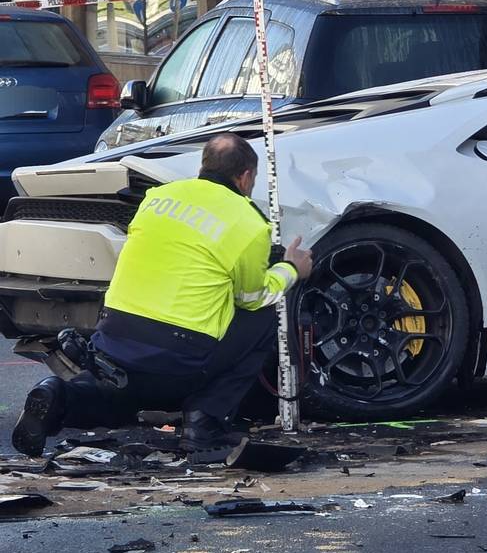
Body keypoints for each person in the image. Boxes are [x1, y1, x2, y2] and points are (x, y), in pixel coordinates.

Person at [11, 132, 313, 455]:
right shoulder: (249, 223)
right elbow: (252, 297)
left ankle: (56, 395)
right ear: (246, 177)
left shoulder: (157, 198)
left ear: (203, 166)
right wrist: (290, 269)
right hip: (179, 357)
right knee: (264, 314)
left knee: (115, 398)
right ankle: (204, 422)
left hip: (113, 339)